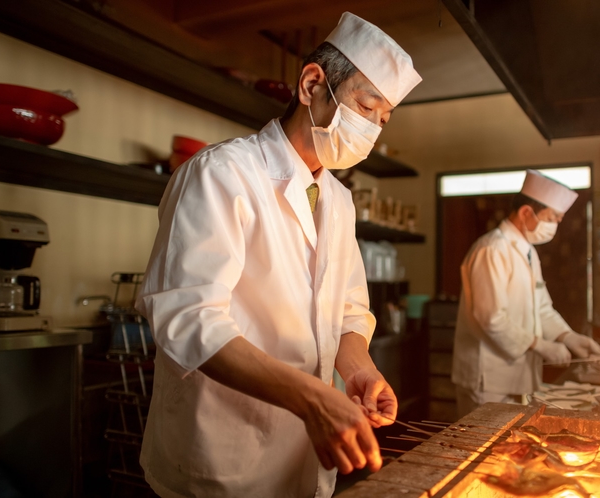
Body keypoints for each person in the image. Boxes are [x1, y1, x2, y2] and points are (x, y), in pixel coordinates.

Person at [133, 12, 421, 498]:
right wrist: (312, 398)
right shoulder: (222, 174)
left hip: (305, 460)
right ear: (312, 84)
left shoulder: (338, 199)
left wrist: (359, 370)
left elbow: (349, 311)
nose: (371, 130)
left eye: (382, 119)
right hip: (221, 459)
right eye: (366, 106)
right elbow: (188, 317)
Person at [451, 170, 600, 418]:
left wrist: (568, 336)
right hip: (487, 378)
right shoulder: (492, 249)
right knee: (484, 451)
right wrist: (540, 345)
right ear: (525, 213)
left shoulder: (528, 252)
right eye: (552, 217)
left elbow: (542, 308)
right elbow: (491, 318)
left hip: (515, 376)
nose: (555, 225)